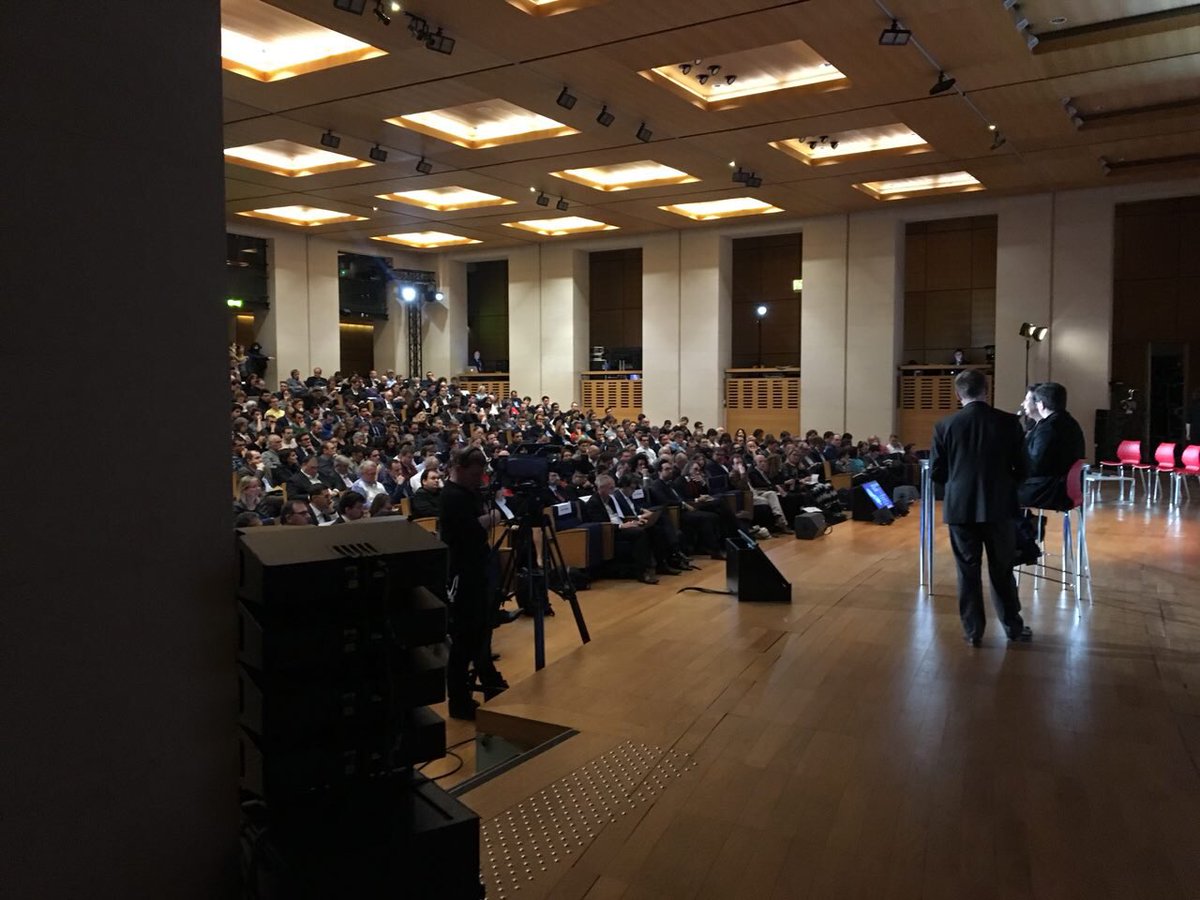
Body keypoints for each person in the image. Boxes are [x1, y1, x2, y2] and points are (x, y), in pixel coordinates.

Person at [930, 369, 1032, 647]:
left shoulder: (944, 425)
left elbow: (937, 473)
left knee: (967, 570)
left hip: (960, 508)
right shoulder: (1009, 423)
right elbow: (1023, 469)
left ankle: (974, 631)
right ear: (987, 389)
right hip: (999, 506)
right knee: (1002, 569)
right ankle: (1013, 627)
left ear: (957, 393)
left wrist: (958, 484)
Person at [439, 447, 504, 720]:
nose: (480, 480)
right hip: (462, 572)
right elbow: (468, 530)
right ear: (461, 469)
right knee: (465, 637)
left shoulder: (469, 491)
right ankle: (460, 699)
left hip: (477, 565)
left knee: (480, 631)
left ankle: (489, 680)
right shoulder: (452, 496)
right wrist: (491, 518)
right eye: (476, 474)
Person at [1019, 382, 1086, 511]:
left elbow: (1036, 465)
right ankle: (1027, 526)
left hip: (1050, 491)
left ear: (1041, 405)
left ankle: (1023, 529)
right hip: (1066, 487)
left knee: (1000, 490)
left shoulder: (1048, 428)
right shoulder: (1070, 423)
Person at [583, 474, 659, 584]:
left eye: (613, 487)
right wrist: (620, 526)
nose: (613, 490)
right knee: (639, 533)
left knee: (649, 527)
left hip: (621, 526)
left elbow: (620, 515)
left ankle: (656, 564)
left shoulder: (610, 499)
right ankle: (642, 572)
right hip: (611, 532)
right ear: (601, 488)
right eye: (610, 488)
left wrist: (632, 521)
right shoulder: (594, 503)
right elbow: (600, 524)